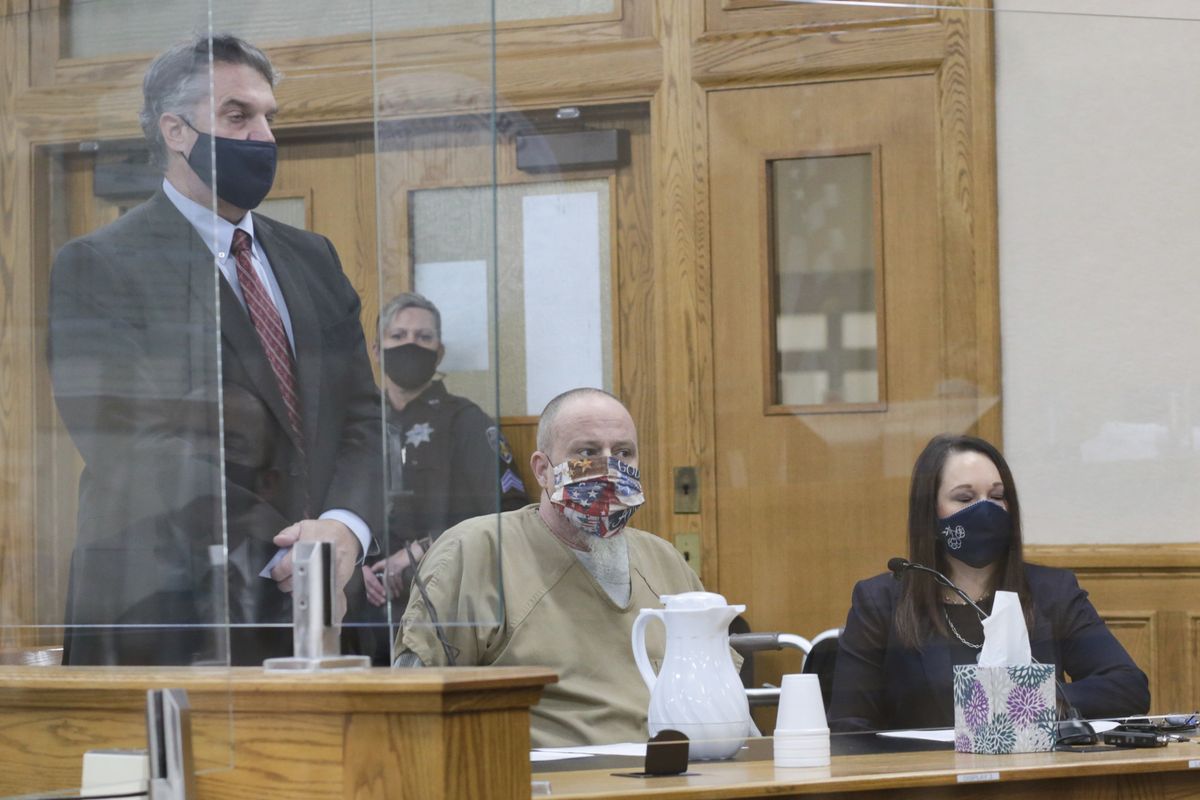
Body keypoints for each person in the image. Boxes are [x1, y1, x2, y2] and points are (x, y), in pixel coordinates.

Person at [48, 34, 382, 665]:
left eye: (267, 117)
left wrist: (343, 531)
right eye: (238, 116)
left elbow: (364, 416)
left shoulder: (313, 258)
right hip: (174, 604)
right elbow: (132, 446)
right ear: (176, 131)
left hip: (325, 602)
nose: (263, 136)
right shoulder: (101, 265)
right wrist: (290, 553)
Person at [394, 387, 703, 748]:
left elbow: (718, 699)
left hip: (672, 774)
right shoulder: (477, 552)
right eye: (586, 452)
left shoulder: (665, 562)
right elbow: (412, 709)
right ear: (543, 470)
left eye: (623, 453)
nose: (608, 467)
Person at [828, 434, 1150, 732]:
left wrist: (1036, 699)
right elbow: (849, 724)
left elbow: (1128, 686)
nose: (985, 510)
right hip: (930, 786)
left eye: (997, 496)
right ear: (930, 514)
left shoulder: (1053, 592)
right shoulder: (881, 602)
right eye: (964, 497)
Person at [361, 292, 527, 616]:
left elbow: (509, 516)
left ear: (439, 353)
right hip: (362, 607)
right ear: (378, 352)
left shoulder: (466, 422)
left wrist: (421, 550)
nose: (411, 344)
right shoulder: (358, 423)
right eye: (398, 336)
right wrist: (353, 565)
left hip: (447, 600)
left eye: (424, 337)